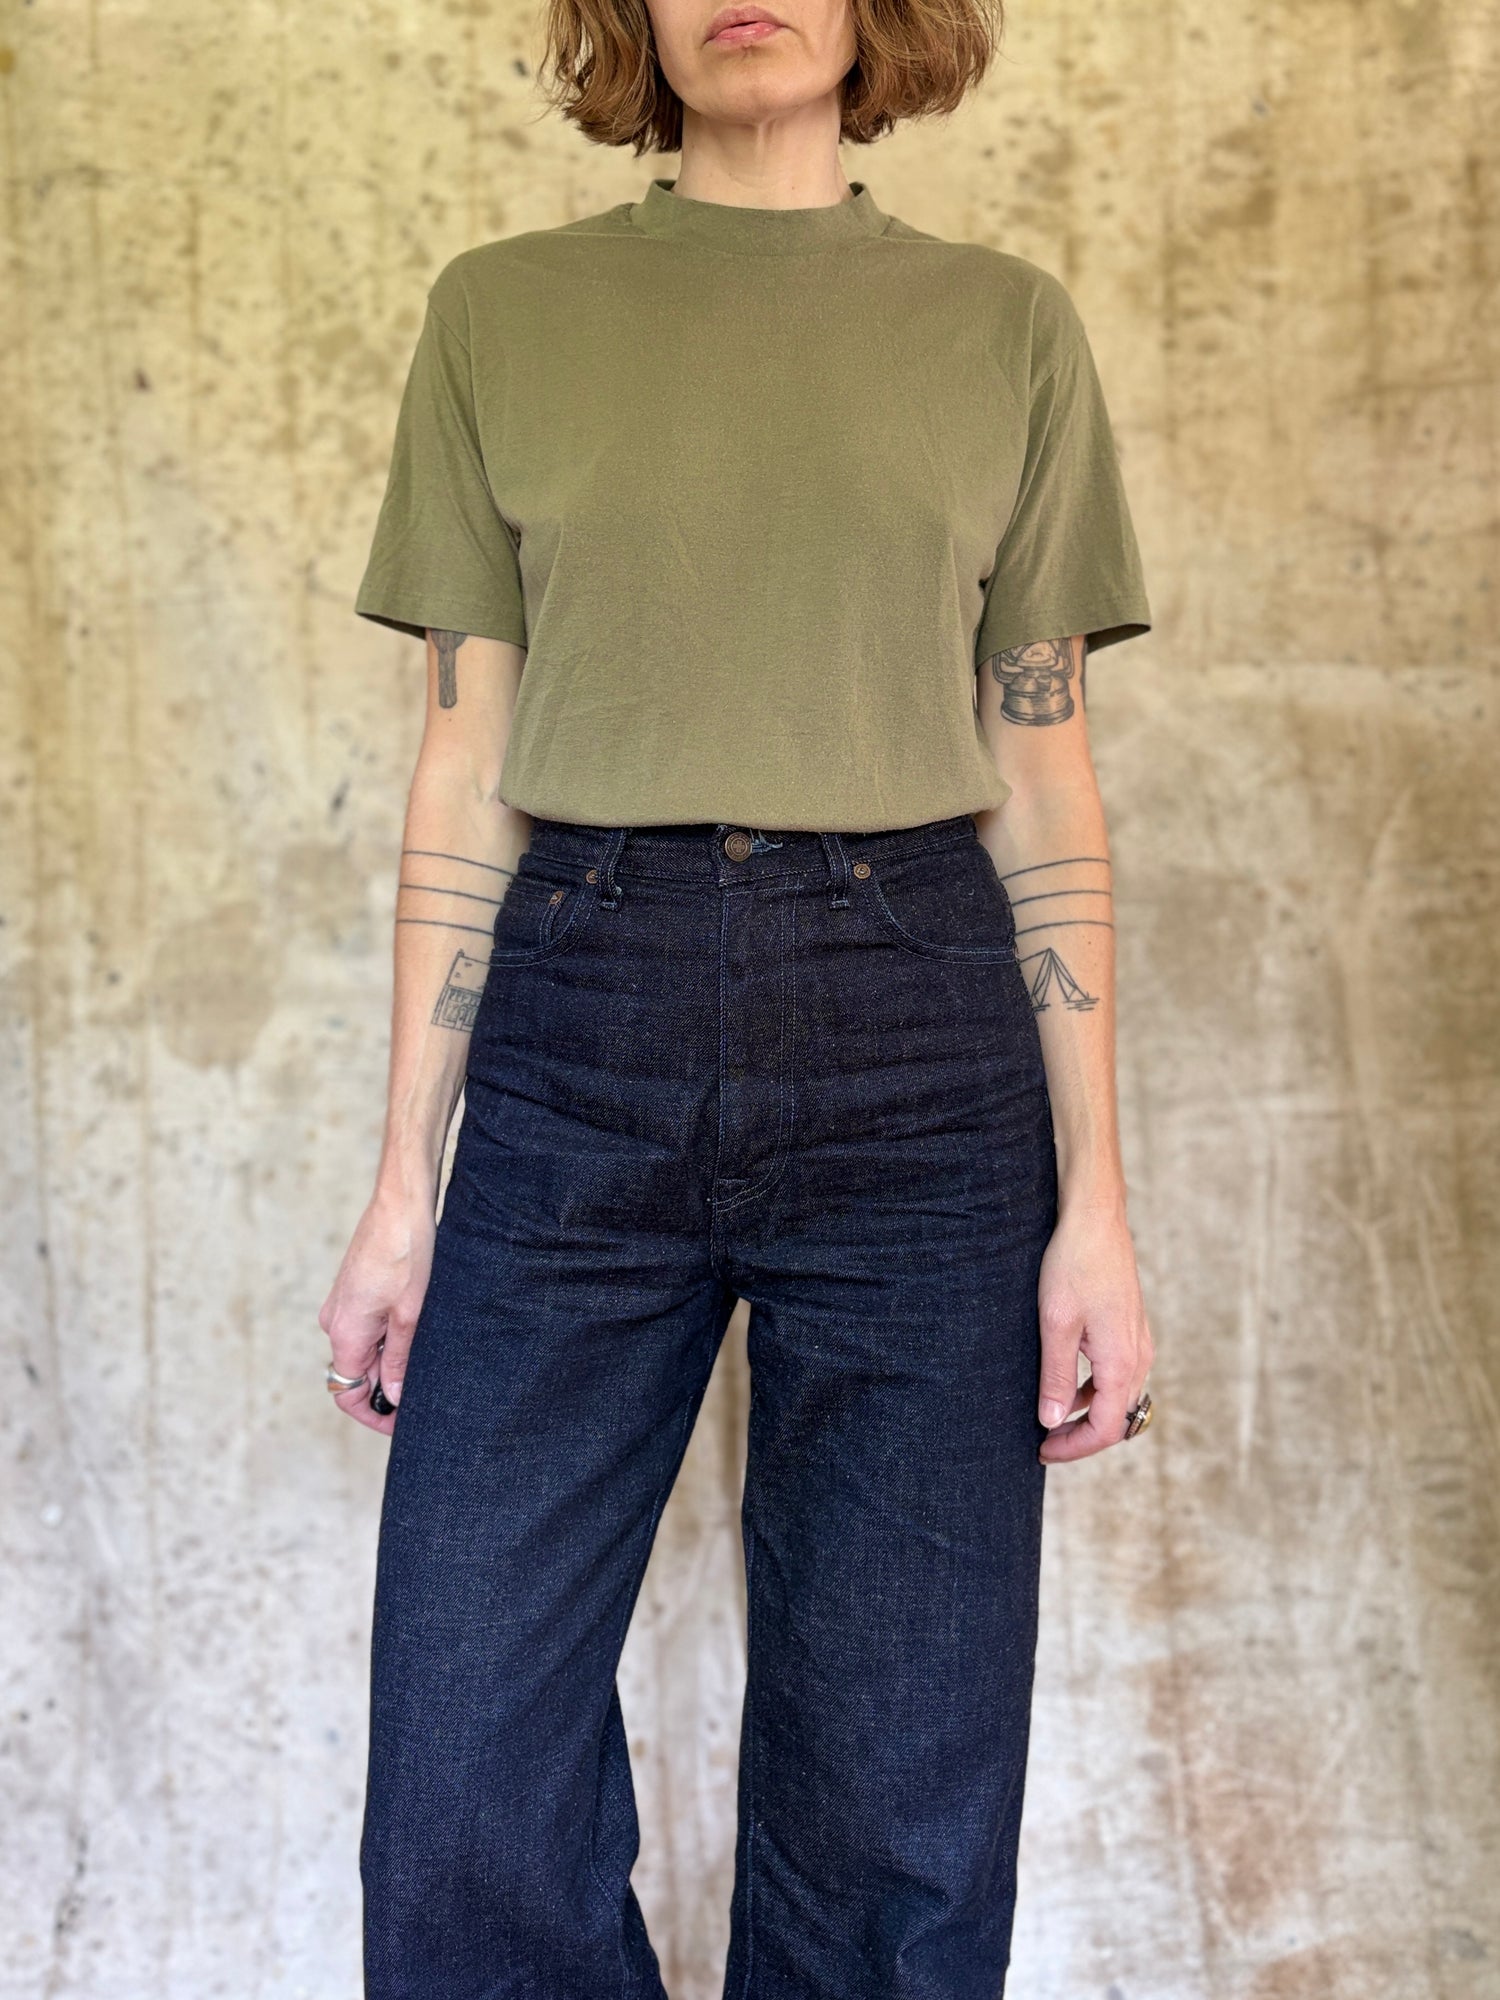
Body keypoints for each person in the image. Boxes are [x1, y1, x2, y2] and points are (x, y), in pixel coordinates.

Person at [319, 0, 1157, 1988]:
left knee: (899, 1800)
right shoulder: (503, 314)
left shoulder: (1007, 329)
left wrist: (1099, 1207)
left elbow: (1043, 774)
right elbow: (464, 763)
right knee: (461, 1768)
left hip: (922, 1044)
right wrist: (403, 1183)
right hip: (576, 1029)